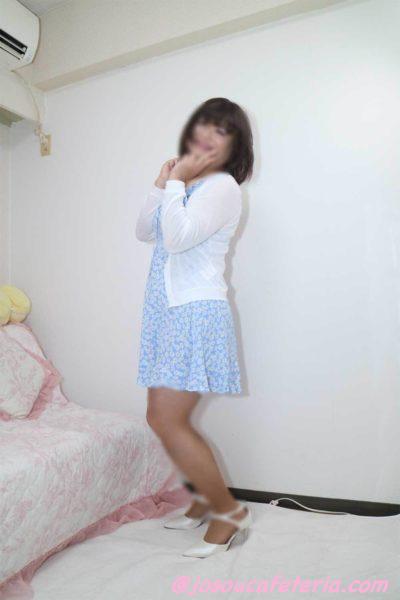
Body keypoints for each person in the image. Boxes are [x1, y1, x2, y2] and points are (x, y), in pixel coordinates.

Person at [135, 97, 254, 557]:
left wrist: (176, 184)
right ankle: (205, 498)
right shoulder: (187, 186)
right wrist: (162, 183)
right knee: (162, 416)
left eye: (221, 130)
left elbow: (179, 237)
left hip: (194, 313)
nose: (206, 135)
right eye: (202, 125)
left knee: (168, 418)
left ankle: (229, 512)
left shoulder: (222, 186)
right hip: (169, 312)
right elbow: (145, 231)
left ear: (235, 145)